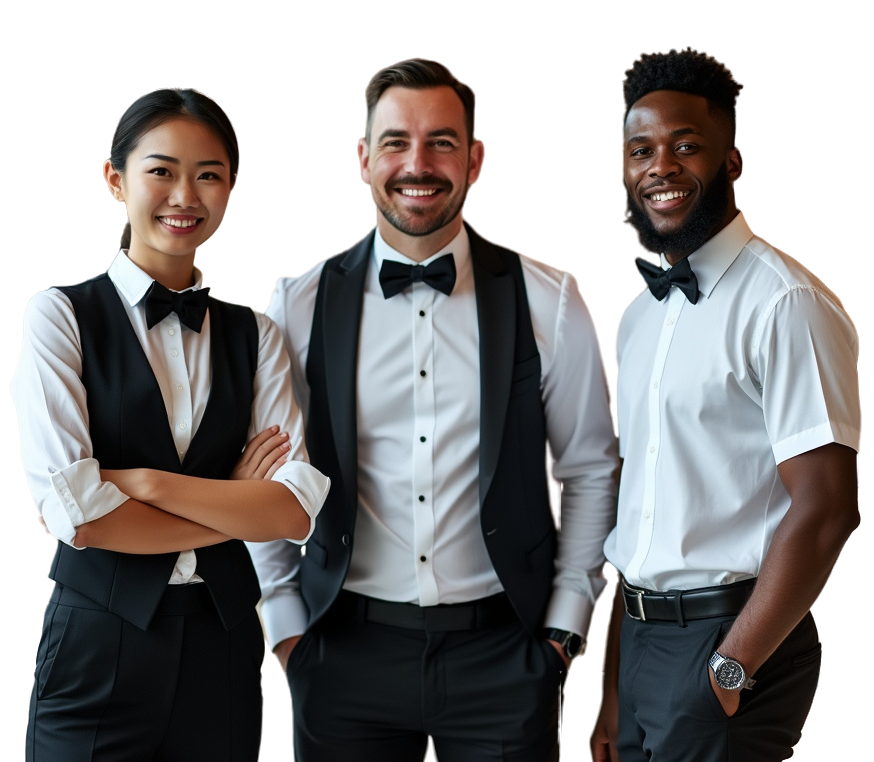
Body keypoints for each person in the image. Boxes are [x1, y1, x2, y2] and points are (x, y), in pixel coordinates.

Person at [245, 58, 619, 761]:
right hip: (338, 656)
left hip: (506, 655)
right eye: (395, 142)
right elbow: (263, 478)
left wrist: (566, 632)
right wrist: (285, 625)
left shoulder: (553, 299)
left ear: (476, 160)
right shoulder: (296, 303)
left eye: (442, 142)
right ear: (362, 159)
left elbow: (590, 471)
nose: (418, 163)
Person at [12, 87, 330, 762]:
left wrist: (148, 483)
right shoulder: (58, 317)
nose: (185, 196)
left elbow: (294, 511)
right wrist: (235, 508)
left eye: (208, 175)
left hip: (224, 646)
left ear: (231, 188)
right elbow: (83, 519)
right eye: (162, 171)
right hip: (96, 644)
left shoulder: (258, 334)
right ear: (115, 179)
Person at [589, 48, 861, 761]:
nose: (660, 167)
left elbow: (828, 506)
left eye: (686, 147)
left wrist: (730, 668)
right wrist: (613, 691)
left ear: (732, 163)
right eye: (640, 150)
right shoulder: (636, 320)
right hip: (641, 646)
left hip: (735, 640)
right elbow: (643, 516)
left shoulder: (787, 303)